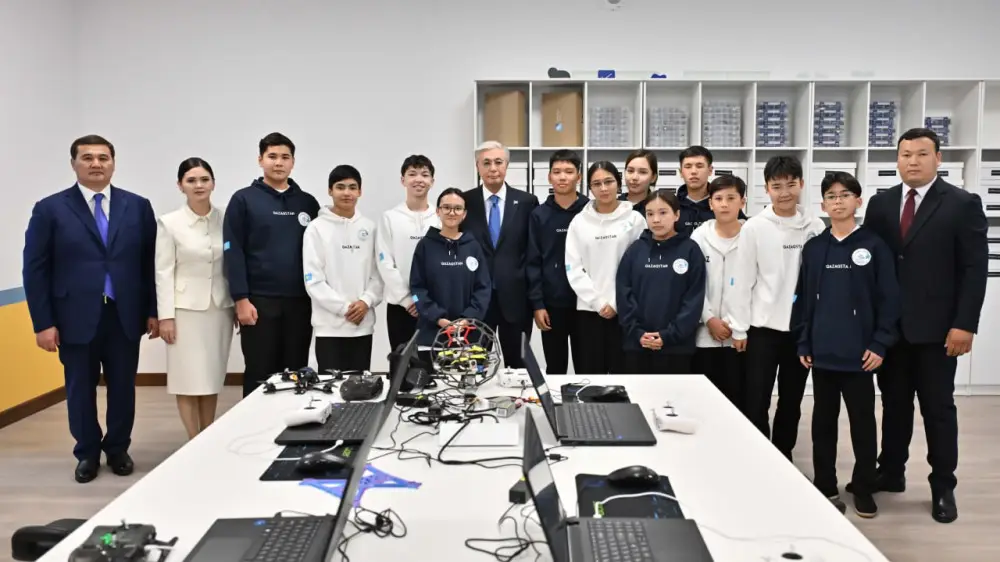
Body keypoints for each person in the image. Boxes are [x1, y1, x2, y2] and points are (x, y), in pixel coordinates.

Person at [861, 127, 988, 524]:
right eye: (905, 154)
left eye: (921, 154)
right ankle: (891, 471)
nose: (912, 161)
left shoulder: (962, 203)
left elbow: (974, 269)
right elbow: (872, 265)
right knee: (894, 405)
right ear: (897, 159)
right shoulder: (881, 204)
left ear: (938, 158)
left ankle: (943, 485)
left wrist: (965, 324)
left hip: (938, 331)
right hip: (891, 331)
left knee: (938, 409)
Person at [22, 134, 158, 483]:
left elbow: (150, 263)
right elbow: (35, 269)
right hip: (74, 317)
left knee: (123, 387)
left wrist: (153, 311)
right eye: (87, 158)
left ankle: (118, 448)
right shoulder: (50, 208)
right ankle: (86, 453)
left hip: (124, 314)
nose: (96, 164)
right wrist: (43, 322)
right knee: (79, 389)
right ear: (74, 164)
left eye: (103, 158)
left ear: (113, 163)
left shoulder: (137, 206)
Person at [794, 171, 900, 518]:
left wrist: (880, 343)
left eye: (844, 195)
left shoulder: (874, 246)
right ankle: (825, 484)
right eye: (831, 196)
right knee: (822, 425)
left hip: (860, 356)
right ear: (823, 205)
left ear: (858, 201)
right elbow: (804, 300)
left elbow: (889, 299)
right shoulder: (814, 248)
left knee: (863, 425)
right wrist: (804, 341)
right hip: (822, 354)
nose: (837, 202)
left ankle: (864, 486)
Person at [730, 155, 825, 461]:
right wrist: (739, 328)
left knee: (791, 400)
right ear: (766, 189)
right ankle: (760, 457)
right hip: (762, 330)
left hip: (800, 331)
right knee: (756, 399)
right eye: (777, 186)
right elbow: (742, 280)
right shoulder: (755, 227)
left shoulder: (815, 225)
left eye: (790, 185)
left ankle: (783, 455)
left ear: (801, 184)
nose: (784, 192)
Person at [223, 132, 320, 397]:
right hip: (259, 303)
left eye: (285, 157)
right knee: (260, 372)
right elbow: (233, 251)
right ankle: (254, 423)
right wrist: (241, 299)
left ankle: (292, 422)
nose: (279, 162)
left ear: (293, 162)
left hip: (300, 302)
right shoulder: (243, 199)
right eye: (272, 156)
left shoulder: (307, 202)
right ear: (260, 160)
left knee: (296, 373)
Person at [155, 158, 236, 440]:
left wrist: (238, 301)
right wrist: (166, 317)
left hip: (219, 309)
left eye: (204, 179)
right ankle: (193, 439)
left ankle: (207, 436)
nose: (198, 185)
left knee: (211, 378)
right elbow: (163, 272)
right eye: (191, 180)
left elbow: (233, 264)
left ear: (213, 183)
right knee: (187, 380)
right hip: (184, 312)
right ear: (180, 185)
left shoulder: (226, 218)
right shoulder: (169, 223)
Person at [462, 141, 539, 369]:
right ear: (477, 166)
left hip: (516, 298)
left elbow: (533, 252)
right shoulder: (465, 202)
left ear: (506, 165)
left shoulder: (527, 202)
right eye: (486, 163)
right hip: (476, 300)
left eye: (498, 162)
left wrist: (535, 299)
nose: (493, 168)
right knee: (474, 365)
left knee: (518, 367)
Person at [565, 162, 646, 374]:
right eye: (597, 183)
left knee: (625, 376)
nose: (603, 188)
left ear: (618, 183)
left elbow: (640, 268)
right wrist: (599, 302)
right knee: (590, 376)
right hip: (589, 310)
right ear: (589, 188)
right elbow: (573, 267)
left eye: (608, 182)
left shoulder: (635, 219)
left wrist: (616, 302)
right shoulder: (579, 222)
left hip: (626, 310)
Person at [302, 165, 383, 374]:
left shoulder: (370, 227)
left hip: (362, 326)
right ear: (330, 191)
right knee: (331, 388)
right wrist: (344, 308)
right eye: (340, 187)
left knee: (360, 387)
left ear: (360, 191)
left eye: (352, 187)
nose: (347, 193)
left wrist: (365, 302)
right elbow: (313, 280)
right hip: (329, 327)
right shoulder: (316, 228)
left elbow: (378, 274)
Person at [617, 190, 706, 374]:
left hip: (677, 348)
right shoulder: (635, 250)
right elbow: (624, 293)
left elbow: (694, 299)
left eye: (663, 212)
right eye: (650, 214)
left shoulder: (690, 250)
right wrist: (637, 332)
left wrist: (669, 335)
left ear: (677, 215)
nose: (656, 220)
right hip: (637, 345)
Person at [526, 149, 589, 374]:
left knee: (587, 367)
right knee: (555, 367)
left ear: (579, 177)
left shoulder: (590, 210)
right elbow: (533, 261)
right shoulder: (539, 215)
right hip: (552, 303)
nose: (563, 177)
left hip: (586, 303)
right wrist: (538, 304)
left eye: (569, 171)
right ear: (549, 177)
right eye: (557, 171)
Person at [689, 175, 749, 410]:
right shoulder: (699, 237)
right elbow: (693, 285)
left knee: (739, 400)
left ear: (742, 201)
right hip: (705, 333)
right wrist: (709, 319)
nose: (724, 204)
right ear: (710, 203)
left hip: (741, 335)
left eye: (731, 198)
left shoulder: (752, 235)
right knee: (705, 402)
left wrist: (738, 325)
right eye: (719, 198)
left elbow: (755, 285)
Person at [409, 188, 491, 347]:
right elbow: (417, 289)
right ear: (438, 211)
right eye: (446, 207)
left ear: (464, 214)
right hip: (432, 332)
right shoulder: (425, 246)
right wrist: (437, 317)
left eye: (458, 208)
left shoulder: (473, 246)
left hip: (468, 333)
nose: (452, 213)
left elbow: (483, 288)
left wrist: (467, 319)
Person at [375, 155, 440, 352]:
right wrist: (407, 300)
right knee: (402, 362)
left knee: (434, 364)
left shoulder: (440, 218)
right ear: (403, 180)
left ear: (432, 181)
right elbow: (385, 262)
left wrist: (426, 302)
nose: (419, 179)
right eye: (412, 174)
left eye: (424, 174)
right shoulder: (390, 217)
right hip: (401, 307)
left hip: (435, 306)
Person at [676, 145, 747, 235]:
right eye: (688, 166)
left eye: (699, 166)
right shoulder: (672, 206)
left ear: (710, 170)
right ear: (681, 172)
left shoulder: (722, 203)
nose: (693, 171)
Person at [619, 149, 658, 215]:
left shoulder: (658, 208)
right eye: (630, 171)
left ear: (653, 177)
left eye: (642, 172)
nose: (635, 177)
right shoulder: (614, 205)